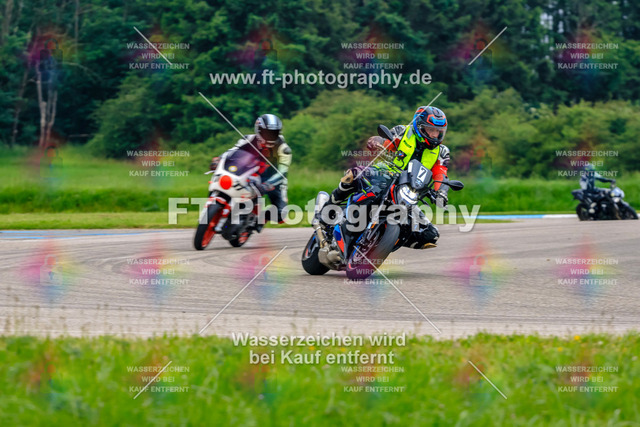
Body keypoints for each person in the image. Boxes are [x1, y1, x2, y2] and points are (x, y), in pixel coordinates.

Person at [327, 106, 451, 249]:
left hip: (409, 190)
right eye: (431, 130)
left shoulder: (442, 152)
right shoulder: (403, 132)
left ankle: (381, 243)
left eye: (438, 131)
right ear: (419, 126)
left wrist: (441, 192)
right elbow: (385, 142)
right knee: (352, 176)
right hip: (384, 174)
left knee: (430, 235)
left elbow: (440, 174)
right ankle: (327, 210)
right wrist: (376, 142)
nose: (435, 135)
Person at [210, 114, 292, 225]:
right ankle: (232, 210)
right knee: (228, 183)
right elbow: (232, 151)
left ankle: (260, 219)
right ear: (258, 130)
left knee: (281, 215)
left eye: (274, 133)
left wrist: (268, 184)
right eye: (266, 132)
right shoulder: (248, 139)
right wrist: (219, 159)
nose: (270, 136)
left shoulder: (284, 149)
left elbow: (282, 172)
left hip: (274, 180)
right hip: (252, 173)